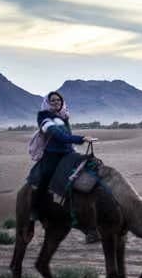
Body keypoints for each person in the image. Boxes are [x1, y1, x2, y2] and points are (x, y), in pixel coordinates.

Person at [27, 91, 96, 220]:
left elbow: (68, 136)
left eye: (58, 100)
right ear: (47, 103)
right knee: (46, 177)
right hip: (52, 154)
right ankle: (34, 209)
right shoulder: (44, 117)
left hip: (68, 153)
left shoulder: (64, 117)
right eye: (52, 100)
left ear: (62, 102)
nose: (56, 102)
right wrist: (82, 138)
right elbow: (60, 136)